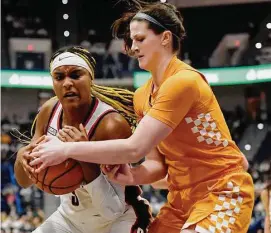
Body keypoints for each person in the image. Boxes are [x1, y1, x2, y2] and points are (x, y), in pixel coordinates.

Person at [28, 1, 254, 233]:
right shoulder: (142, 96)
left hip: (222, 192)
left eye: (140, 39)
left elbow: (134, 148)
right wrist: (131, 176)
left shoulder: (183, 81)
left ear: (165, 38)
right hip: (181, 200)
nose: (133, 47)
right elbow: (156, 167)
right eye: (132, 40)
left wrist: (65, 150)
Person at [14, 45, 152, 233]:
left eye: (75, 75)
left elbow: (111, 210)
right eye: (59, 77)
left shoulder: (111, 125)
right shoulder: (49, 111)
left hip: (120, 218)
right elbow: (24, 181)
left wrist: (82, 153)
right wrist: (23, 157)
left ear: (90, 79)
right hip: (70, 219)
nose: (67, 83)